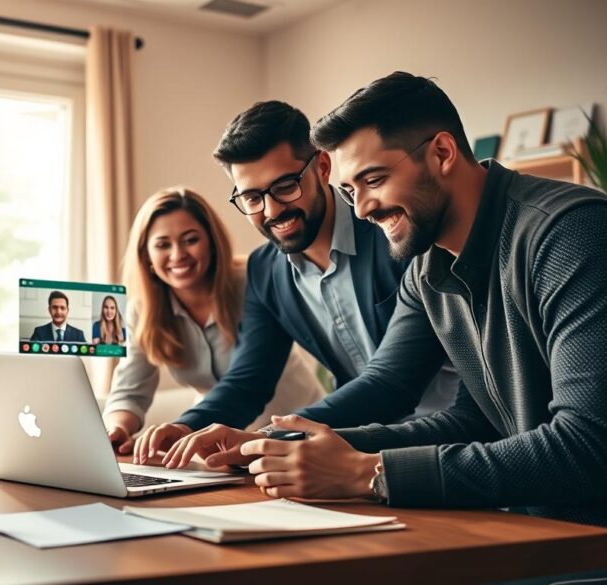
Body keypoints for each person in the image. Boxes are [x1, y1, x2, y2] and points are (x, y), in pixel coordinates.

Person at [171, 73, 607, 579]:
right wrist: (275, 443)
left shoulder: (578, 235)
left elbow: (591, 448)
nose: (360, 208)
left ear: (443, 153)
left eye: (374, 179)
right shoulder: (431, 267)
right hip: (537, 528)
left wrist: (371, 474)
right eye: (349, 188)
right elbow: (473, 419)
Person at [133, 100, 460, 465]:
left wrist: (269, 438)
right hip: (355, 449)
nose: (272, 211)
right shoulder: (265, 270)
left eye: (285, 186)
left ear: (321, 167)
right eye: (252, 198)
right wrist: (186, 426)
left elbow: (394, 382)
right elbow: (248, 381)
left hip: (452, 442)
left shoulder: (390, 231)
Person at [0, 187, 324, 452]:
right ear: (146, 256)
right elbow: (131, 389)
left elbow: (246, 383)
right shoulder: (144, 308)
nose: (177, 255)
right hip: (215, 445)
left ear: (212, 241)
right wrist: (116, 428)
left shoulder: (253, 280)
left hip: (293, 432)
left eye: (190, 239)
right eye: (162, 244)